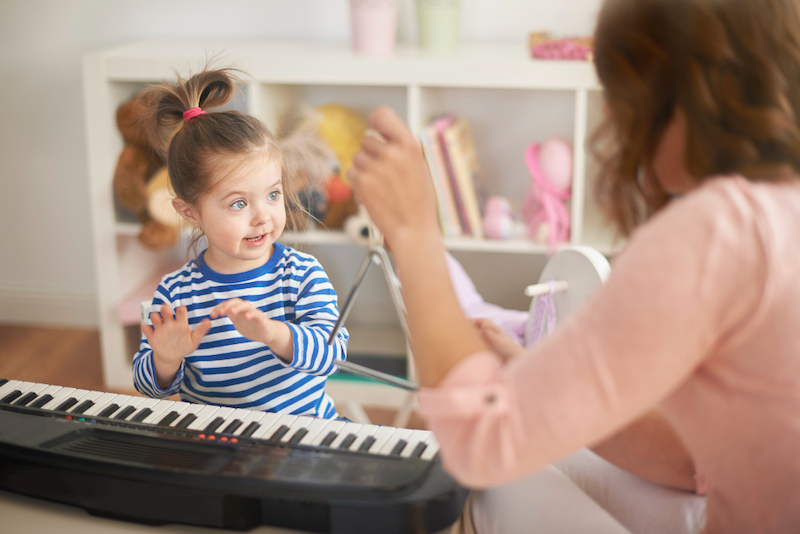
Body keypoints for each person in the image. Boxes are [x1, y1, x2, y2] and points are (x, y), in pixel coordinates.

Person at [347, 0, 800, 531]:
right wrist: (534, 380)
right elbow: (693, 462)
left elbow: (479, 441)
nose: (611, 116)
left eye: (620, 90)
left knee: (490, 477)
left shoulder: (719, 227)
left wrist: (413, 232)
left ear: (685, 89)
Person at [132, 68, 349, 419]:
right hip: (215, 445)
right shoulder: (176, 293)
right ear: (190, 212)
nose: (262, 216)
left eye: (273, 194)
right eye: (238, 203)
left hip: (302, 437)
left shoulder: (302, 274)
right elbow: (147, 385)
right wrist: (165, 359)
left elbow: (332, 355)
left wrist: (274, 334)